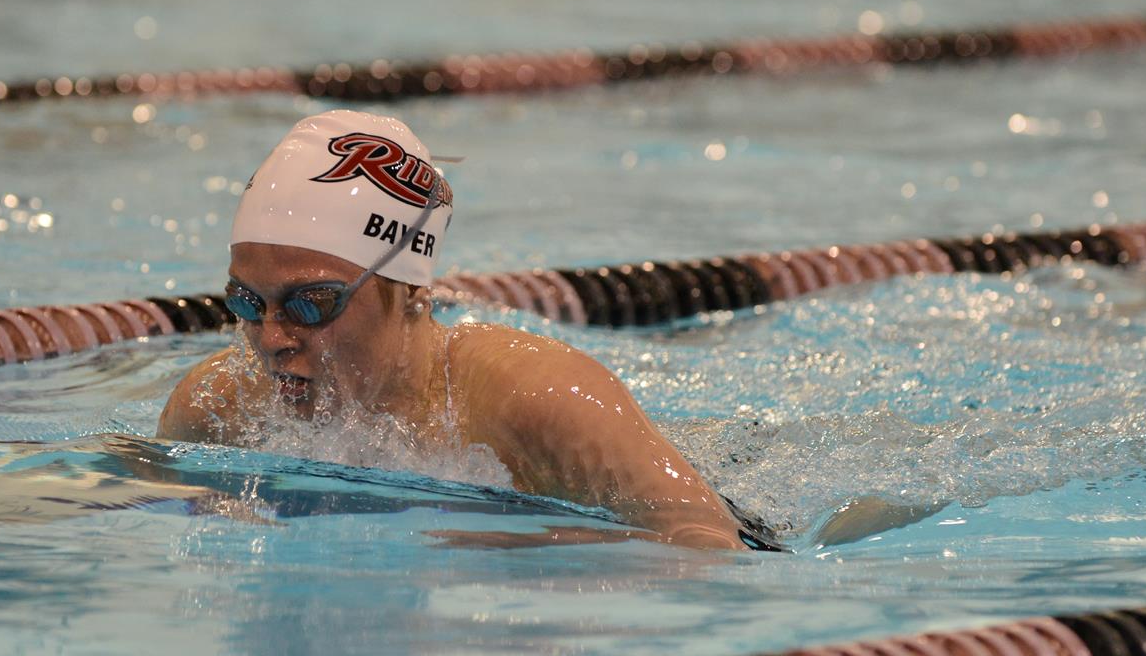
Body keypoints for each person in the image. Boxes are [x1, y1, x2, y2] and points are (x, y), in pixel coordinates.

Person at [156, 109, 784, 552]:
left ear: (411, 293)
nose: (271, 339)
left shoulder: (532, 398)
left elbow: (707, 551)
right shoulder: (215, 410)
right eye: (245, 302)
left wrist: (530, 545)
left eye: (311, 304)